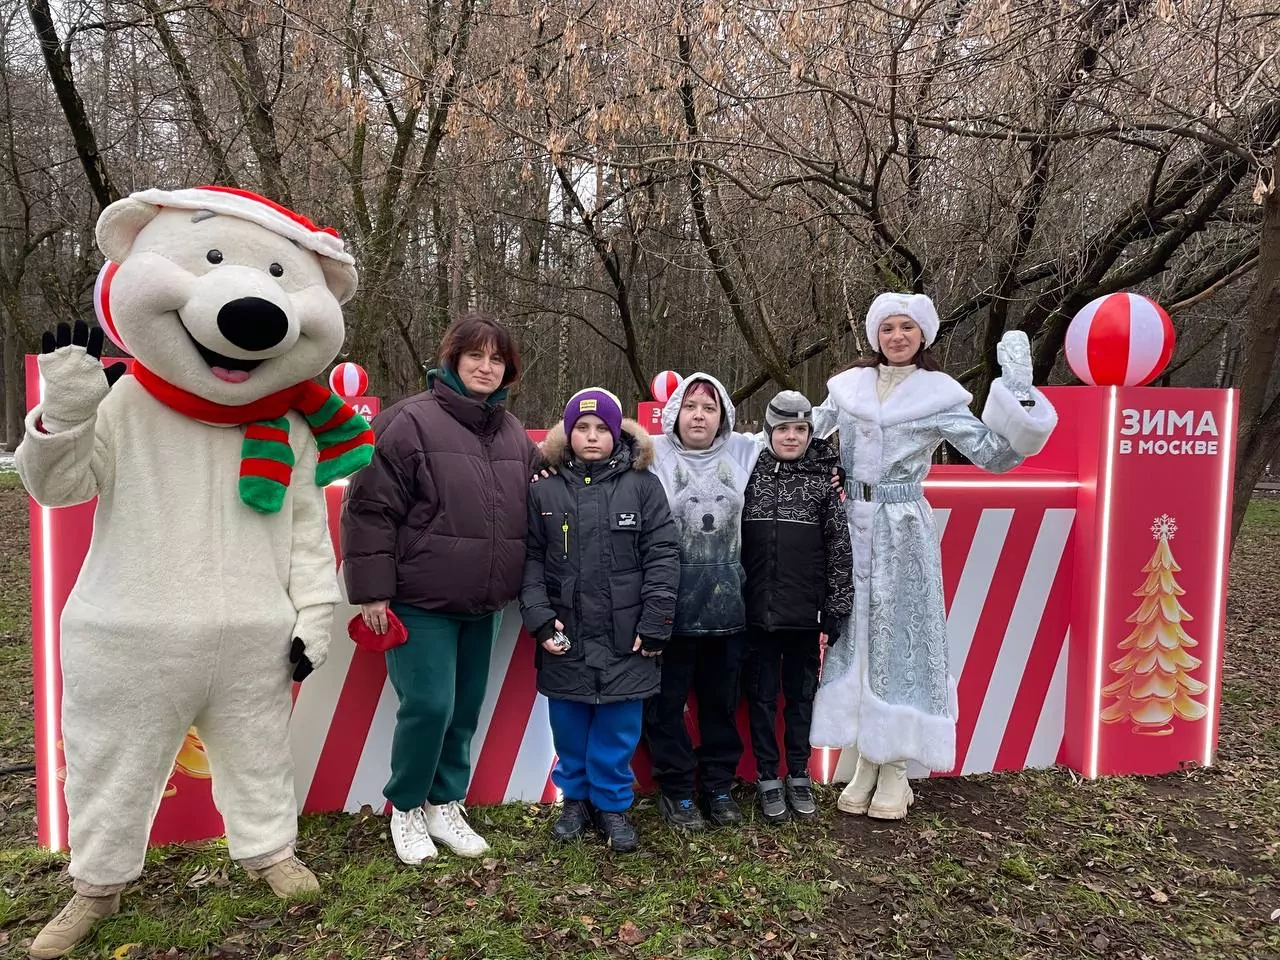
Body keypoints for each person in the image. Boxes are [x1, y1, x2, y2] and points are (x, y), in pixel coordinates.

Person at [809, 292, 1057, 820]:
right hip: (849, 525)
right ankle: (864, 758)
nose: (897, 336)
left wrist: (1020, 398)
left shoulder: (938, 395)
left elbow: (995, 456)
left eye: (907, 328)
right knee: (851, 634)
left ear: (923, 336)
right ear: (875, 335)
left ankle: (895, 767)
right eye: (888, 327)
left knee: (902, 637)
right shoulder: (846, 388)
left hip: (903, 532)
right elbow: (804, 432)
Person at [341, 312, 542, 864]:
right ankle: (405, 807)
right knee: (428, 705)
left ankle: (444, 803)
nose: (485, 366)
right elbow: (369, 511)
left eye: (496, 358)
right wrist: (372, 591)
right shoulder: (406, 422)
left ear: (509, 370)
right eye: (475, 355)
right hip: (418, 597)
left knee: (464, 709)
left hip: (484, 603)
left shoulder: (513, 433)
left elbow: (533, 500)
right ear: (452, 359)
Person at [520, 388, 679, 852]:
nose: (592, 437)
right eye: (582, 428)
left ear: (617, 434)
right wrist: (540, 620)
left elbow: (663, 556)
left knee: (618, 724)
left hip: (626, 636)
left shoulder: (644, 485)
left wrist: (656, 622)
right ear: (567, 434)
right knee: (568, 721)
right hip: (565, 632)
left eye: (602, 429)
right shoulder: (543, 489)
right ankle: (576, 800)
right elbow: (529, 559)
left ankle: (612, 804)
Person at [642, 373, 764, 830]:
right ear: (675, 412)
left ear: (724, 417)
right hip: (668, 612)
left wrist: (829, 465)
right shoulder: (651, 454)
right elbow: (588, 445)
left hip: (728, 611)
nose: (699, 415)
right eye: (691, 406)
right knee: (663, 706)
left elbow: (801, 433)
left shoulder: (745, 453)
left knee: (720, 706)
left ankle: (717, 786)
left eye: (709, 408)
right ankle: (676, 791)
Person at [741, 390, 853, 823]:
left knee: (801, 696)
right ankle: (768, 775)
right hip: (756, 612)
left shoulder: (823, 482)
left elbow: (838, 548)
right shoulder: (749, 473)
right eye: (783, 429)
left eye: (801, 429)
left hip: (806, 614)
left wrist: (837, 606)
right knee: (762, 695)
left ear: (811, 432)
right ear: (769, 431)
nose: (792, 437)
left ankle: (799, 773)